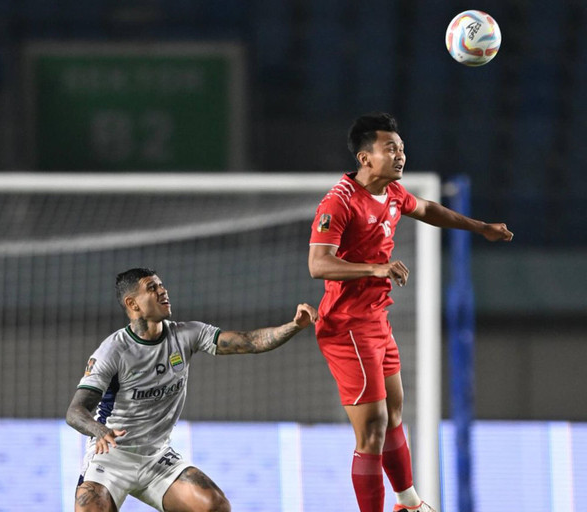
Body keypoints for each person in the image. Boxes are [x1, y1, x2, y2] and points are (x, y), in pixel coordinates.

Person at [308, 112, 513, 512]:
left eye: (401, 148)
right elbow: (318, 264)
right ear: (366, 158)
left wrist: (480, 227)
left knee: (396, 412)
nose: (401, 155)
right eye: (390, 148)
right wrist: (375, 268)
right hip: (347, 326)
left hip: (375, 320)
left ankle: (408, 503)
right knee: (372, 430)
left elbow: (429, 209)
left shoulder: (394, 193)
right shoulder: (340, 201)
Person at [66, 267, 317, 512]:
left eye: (161, 285)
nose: (163, 291)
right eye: (152, 288)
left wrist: (294, 326)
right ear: (132, 304)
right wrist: (100, 431)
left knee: (214, 505)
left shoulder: (186, 334)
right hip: (112, 457)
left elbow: (250, 341)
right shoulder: (113, 351)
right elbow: (75, 411)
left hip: (156, 457)